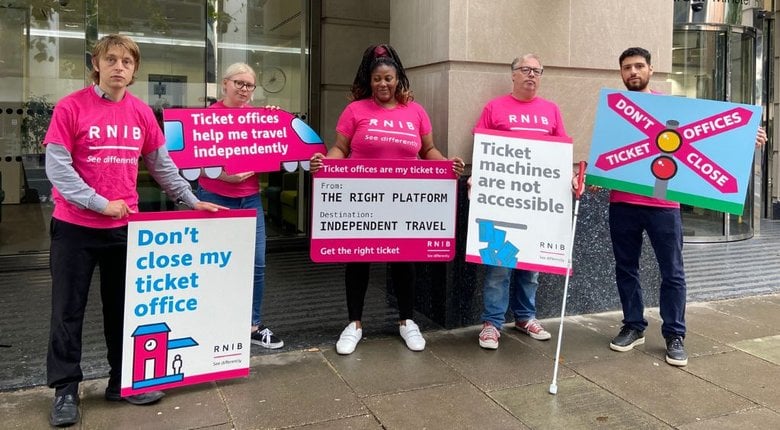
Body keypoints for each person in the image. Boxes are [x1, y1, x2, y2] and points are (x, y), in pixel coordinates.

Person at [43, 34, 224, 427]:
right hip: (75, 227)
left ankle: (122, 381)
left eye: (126, 61)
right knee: (67, 311)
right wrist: (97, 202)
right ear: (97, 64)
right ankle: (65, 390)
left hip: (126, 230)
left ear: (135, 69)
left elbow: (162, 166)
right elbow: (56, 169)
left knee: (125, 312)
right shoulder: (71, 107)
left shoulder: (141, 113)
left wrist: (191, 200)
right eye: (111, 60)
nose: (118, 67)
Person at [591, 47, 768, 367]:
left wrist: (746, 135)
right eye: (627, 67)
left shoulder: (670, 108)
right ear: (620, 73)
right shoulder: (615, 112)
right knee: (625, 269)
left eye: (639, 66)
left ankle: (675, 334)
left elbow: (708, 135)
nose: (633, 71)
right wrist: (596, 174)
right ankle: (633, 326)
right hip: (622, 203)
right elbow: (607, 155)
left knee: (672, 273)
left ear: (651, 70)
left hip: (664, 205)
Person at [310, 44, 464, 355]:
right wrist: (325, 164)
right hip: (361, 201)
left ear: (398, 79)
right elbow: (340, 148)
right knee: (358, 260)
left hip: (405, 202)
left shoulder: (415, 111)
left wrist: (447, 164)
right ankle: (354, 324)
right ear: (370, 80)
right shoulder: (355, 110)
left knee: (404, 261)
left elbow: (427, 150)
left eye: (389, 79)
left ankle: (406, 321)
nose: (384, 84)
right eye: (378, 79)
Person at [475, 54, 569, 350]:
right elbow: (482, 147)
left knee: (531, 266)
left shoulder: (551, 110)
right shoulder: (494, 108)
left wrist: (571, 179)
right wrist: (475, 179)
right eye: (525, 70)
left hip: (538, 205)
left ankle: (525, 316)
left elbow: (562, 152)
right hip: (501, 201)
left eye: (537, 71)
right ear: (512, 74)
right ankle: (492, 323)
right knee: (498, 266)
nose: (531, 75)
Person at [196, 62, 283, 350]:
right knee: (214, 263)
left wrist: (274, 122)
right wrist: (223, 174)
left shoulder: (259, 118)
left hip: (250, 199)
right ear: (225, 84)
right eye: (239, 83)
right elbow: (194, 163)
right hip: (214, 197)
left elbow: (278, 150)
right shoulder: (208, 117)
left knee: (256, 263)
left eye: (249, 85)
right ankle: (213, 324)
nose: (244, 89)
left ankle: (252, 326)